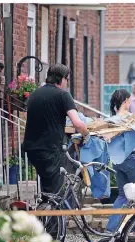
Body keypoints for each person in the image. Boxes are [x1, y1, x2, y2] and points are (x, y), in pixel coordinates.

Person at [24, 64, 90, 194]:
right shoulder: (63, 95)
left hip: (32, 148)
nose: (67, 83)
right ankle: (53, 213)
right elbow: (77, 123)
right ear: (62, 79)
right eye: (67, 79)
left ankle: (44, 209)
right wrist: (87, 135)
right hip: (51, 149)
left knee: (46, 186)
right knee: (56, 191)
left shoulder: (34, 94)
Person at [106, 89, 135, 232]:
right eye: (129, 100)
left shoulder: (112, 118)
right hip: (130, 159)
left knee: (123, 195)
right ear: (125, 101)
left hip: (118, 162)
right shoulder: (128, 117)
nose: (130, 103)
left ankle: (111, 229)